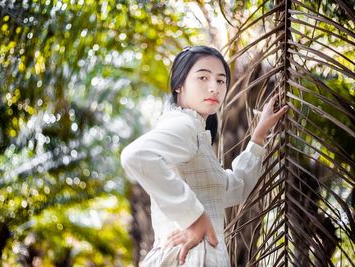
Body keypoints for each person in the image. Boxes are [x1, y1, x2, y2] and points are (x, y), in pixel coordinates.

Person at [121, 45, 288, 266]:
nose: (214, 88)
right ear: (179, 85)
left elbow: (232, 189)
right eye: (203, 78)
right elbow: (137, 155)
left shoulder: (197, 133)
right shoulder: (183, 124)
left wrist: (258, 136)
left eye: (220, 81)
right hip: (191, 257)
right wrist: (194, 217)